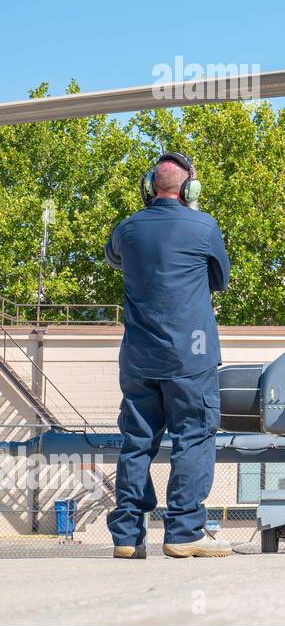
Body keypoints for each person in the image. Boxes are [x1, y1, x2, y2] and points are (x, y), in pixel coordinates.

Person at [105, 153, 232, 559]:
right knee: (193, 437)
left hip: (140, 357)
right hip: (190, 358)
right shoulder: (204, 225)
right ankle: (183, 532)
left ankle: (127, 536)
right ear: (190, 189)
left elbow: (115, 259)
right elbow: (221, 280)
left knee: (137, 441)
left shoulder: (127, 229)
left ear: (148, 187)